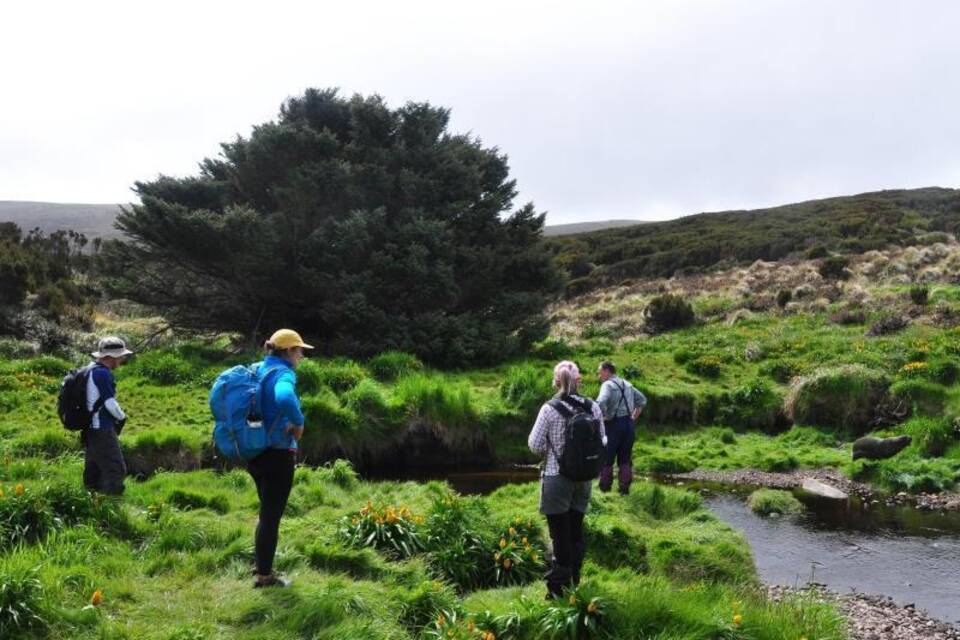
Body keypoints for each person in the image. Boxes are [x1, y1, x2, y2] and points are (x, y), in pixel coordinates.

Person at [528, 360, 605, 598]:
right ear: (578, 380)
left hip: (556, 478)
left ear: (556, 381)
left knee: (559, 535)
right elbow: (602, 440)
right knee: (575, 532)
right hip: (584, 480)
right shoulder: (593, 407)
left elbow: (534, 445)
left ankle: (558, 592)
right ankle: (575, 582)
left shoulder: (549, 409)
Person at [249, 328, 312, 588]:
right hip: (277, 453)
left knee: (266, 514)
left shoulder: (258, 368)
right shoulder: (284, 373)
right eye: (299, 351)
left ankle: (261, 563)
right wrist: (298, 423)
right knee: (271, 517)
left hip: (254, 450)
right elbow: (284, 397)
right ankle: (264, 576)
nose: (301, 356)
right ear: (287, 351)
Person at [83, 336, 133, 495]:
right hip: (102, 429)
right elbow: (110, 403)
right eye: (121, 356)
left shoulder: (90, 369)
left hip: (89, 428)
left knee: (94, 471)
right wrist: (122, 416)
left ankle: (91, 504)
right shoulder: (103, 374)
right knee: (116, 470)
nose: (123, 359)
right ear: (111, 357)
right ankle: (111, 509)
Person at [595, 361, 646, 495]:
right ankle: (624, 489)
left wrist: (606, 416)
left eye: (599, 372)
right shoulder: (627, 384)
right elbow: (642, 400)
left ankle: (604, 489)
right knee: (625, 458)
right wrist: (634, 416)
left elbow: (600, 402)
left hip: (613, 425)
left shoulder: (607, 385)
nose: (598, 376)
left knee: (607, 457)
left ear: (607, 371)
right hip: (628, 425)